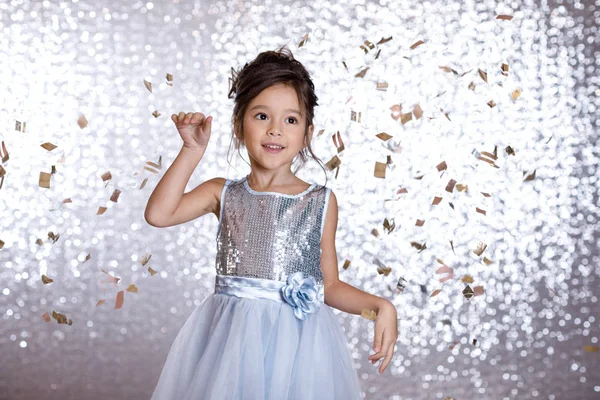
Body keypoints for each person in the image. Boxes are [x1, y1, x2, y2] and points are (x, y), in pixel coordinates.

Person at [144, 45, 398, 400]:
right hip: (229, 345)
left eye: (290, 120)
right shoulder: (223, 193)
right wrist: (191, 151)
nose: (275, 130)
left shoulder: (319, 202)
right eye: (262, 116)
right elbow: (159, 214)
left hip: (296, 351)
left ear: (307, 133)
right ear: (239, 125)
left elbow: (330, 287)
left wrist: (379, 308)